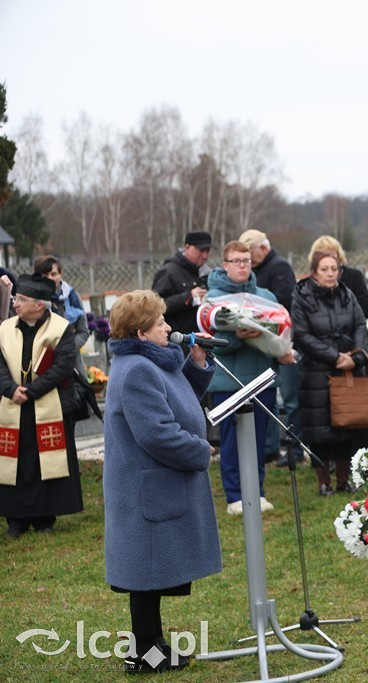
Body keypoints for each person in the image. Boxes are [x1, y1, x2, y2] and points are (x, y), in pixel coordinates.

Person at [102, 290, 220, 673]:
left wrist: (197, 365)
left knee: (149, 576)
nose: (169, 327)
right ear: (140, 332)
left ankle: (153, 650)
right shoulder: (137, 369)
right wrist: (201, 451)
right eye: (160, 323)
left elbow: (176, 403)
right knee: (144, 576)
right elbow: (157, 434)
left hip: (151, 486)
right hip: (144, 488)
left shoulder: (151, 361)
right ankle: (143, 655)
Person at [206, 241, 293, 514]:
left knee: (259, 439)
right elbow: (212, 340)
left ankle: (258, 491)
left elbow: (280, 326)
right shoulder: (213, 299)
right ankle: (234, 496)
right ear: (225, 265)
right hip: (229, 380)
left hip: (261, 376)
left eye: (246, 260)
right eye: (236, 261)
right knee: (231, 440)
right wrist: (236, 337)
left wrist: (281, 345)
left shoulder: (265, 295)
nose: (242, 265)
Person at [0, 274, 83, 538]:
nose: (15, 304)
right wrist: (11, 389)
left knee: (43, 461)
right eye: (16, 299)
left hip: (48, 406)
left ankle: (45, 517)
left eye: (21, 300)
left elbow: (63, 365)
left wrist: (31, 391)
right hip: (11, 405)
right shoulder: (4, 328)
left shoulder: (61, 328)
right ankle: (15, 520)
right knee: (15, 461)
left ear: (39, 305)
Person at [292, 250, 368, 497]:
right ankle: (323, 481)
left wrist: (356, 356)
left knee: (348, 427)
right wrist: (334, 356)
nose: (330, 274)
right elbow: (303, 335)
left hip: (349, 370)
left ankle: (343, 479)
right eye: (325, 269)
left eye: (334, 269)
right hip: (317, 372)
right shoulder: (302, 296)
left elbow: (360, 325)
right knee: (319, 431)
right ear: (314, 272)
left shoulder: (347, 295)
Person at [238, 229, 302, 467]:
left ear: (263, 248)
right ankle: (272, 448)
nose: (249, 262)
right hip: (266, 340)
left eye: (250, 255)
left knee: (290, 398)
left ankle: (295, 450)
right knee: (271, 398)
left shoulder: (280, 268)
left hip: (284, 340)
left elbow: (282, 302)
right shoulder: (259, 269)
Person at [34, 255, 92, 381]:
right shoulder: (32, 300)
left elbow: (83, 331)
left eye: (53, 274)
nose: (50, 278)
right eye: (45, 275)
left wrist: (67, 348)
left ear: (60, 274)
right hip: (41, 363)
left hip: (72, 361)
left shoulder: (72, 297)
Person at [151, 231, 212, 333]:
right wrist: (189, 297)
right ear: (187, 247)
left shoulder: (207, 274)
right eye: (201, 250)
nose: (205, 256)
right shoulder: (169, 272)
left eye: (208, 251)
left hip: (200, 339)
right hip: (175, 340)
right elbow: (155, 307)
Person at [307, 235, 368, 319]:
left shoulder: (354, 276)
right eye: (322, 255)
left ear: (339, 256)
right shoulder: (309, 285)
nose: (328, 258)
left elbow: (366, 308)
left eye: (331, 254)